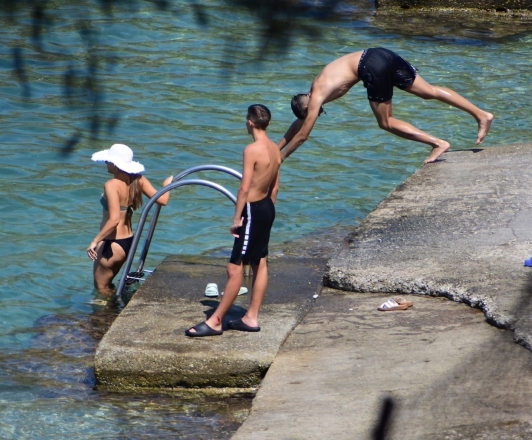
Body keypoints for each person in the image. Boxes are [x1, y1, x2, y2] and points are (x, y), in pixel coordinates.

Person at [279, 47, 495, 164]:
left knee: (386, 122)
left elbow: (303, 135)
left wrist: (282, 157)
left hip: (370, 67)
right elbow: (298, 124)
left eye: (313, 115)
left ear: (308, 107)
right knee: (429, 92)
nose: (316, 115)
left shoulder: (315, 97)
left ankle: (438, 143)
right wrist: (275, 146)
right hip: (379, 53)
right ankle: (481, 114)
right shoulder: (317, 85)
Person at [186, 104, 280, 337]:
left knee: (234, 267)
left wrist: (238, 218)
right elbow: (275, 185)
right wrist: (267, 211)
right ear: (267, 124)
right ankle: (251, 317)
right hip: (267, 207)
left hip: (252, 209)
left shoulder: (252, 150)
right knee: (260, 262)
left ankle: (216, 320)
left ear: (249, 122)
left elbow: (243, 188)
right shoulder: (275, 148)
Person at [87, 143, 172, 296]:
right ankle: (115, 308)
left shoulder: (112, 185)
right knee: (108, 284)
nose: (106, 163)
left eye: (108, 160)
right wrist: (167, 185)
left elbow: (113, 220)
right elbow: (163, 200)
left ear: (115, 164)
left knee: (101, 287)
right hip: (128, 242)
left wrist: (95, 241)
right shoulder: (138, 179)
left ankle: (106, 317)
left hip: (111, 243)